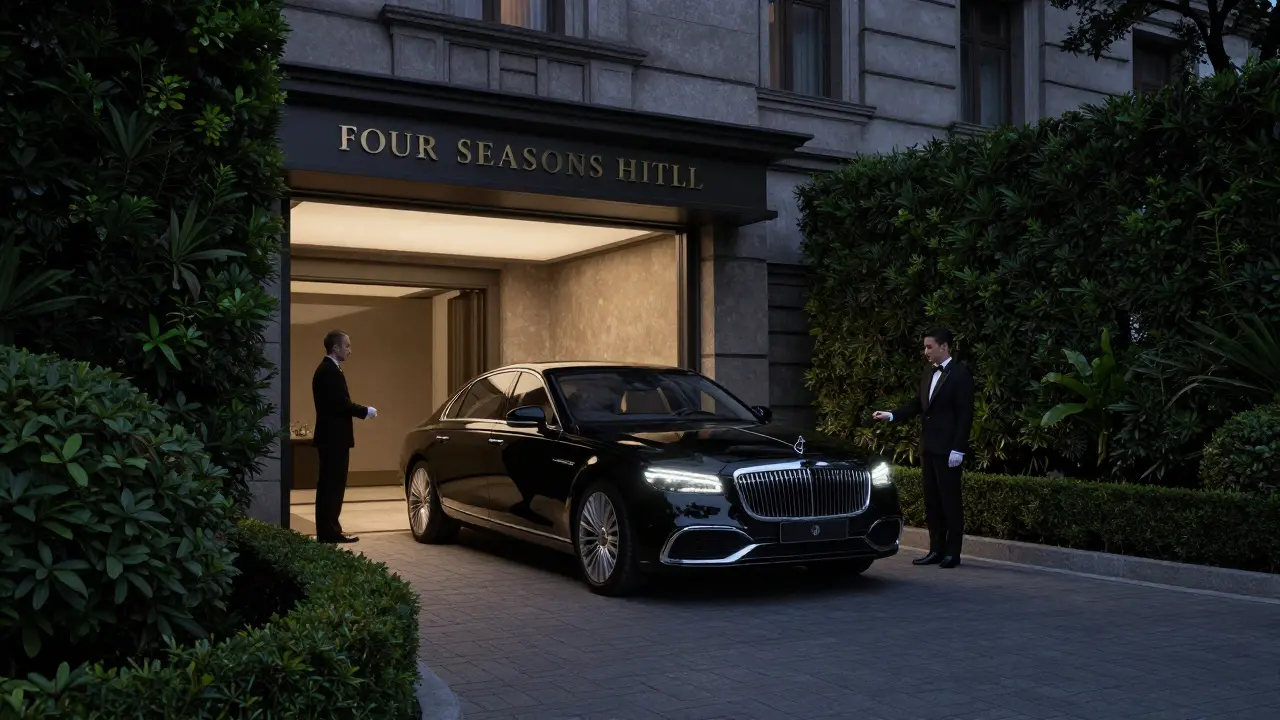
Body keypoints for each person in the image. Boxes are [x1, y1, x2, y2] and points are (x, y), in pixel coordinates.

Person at [873, 327, 974, 568]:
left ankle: (953, 552)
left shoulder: (960, 375)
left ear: (944, 347)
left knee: (950, 501)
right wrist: (892, 415)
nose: (925, 351)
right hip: (928, 448)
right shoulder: (928, 371)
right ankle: (935, 550)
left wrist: (958, 449)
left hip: (948, 450)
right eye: (925, 346)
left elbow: (965, 415)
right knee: (932, 502)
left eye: (929, 347)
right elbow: (919, 404)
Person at [312, 330, 377, 544]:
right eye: (347, 346)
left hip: (332, 438)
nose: (350, 350)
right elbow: (341, 404)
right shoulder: (329, 371)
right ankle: (330, 532)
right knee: (332, 486)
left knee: (330, 485)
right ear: (336, 348)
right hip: (333, 439)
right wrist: (365, 411)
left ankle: (329, 530)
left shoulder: (329, 370)